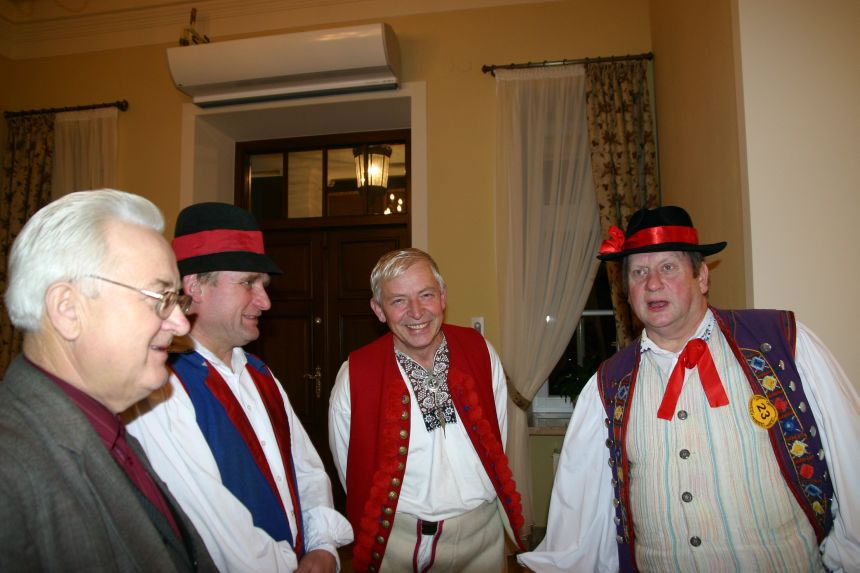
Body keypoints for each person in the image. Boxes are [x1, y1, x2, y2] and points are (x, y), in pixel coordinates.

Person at [518, 206, 859, 572]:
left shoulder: (782, 344)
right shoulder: (607, 387)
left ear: (702, 277)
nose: (652, 283)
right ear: (627, 291)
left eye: (668, 267)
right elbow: (581, 527)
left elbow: (851, 461)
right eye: (638, 272)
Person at [125, 202, 352, 573]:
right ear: (194, 286)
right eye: (248, 283)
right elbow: (216, 530)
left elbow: (306, 471)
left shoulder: (261, 375)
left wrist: (322, 546)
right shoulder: (161, 389)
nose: (265, 301)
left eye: (263, 285)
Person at [0, 190, 217, 572]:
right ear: (68, 309)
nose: (181, 324)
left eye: (176, 300)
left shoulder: (106, 427)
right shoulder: (11, 471)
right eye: (160, 297)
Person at [328, 247, 525, 572]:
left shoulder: (480, 350)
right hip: (398, 543)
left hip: (485, 535)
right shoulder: (355, 375)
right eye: (398, 300)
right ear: (379, 310)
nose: (416, 312)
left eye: (426, 295)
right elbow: (351, 467)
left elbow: (497, 436)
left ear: (443, 297)